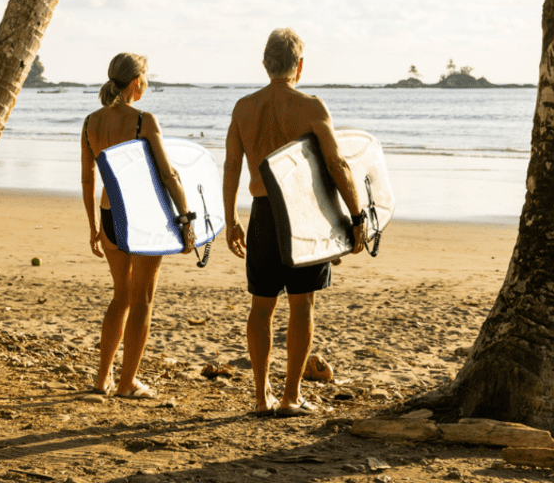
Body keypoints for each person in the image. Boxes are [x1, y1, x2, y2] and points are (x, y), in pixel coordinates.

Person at [223, 28, 367, 417]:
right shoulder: (311, 106)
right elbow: (337, 165)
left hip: (263, 214)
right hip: (302, 215)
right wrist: (357, 216)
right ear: (299, 66)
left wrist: (230, 219)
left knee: (261, 306)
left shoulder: (243, 108)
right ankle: (290, 397)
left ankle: (260, 396)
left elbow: (232, 166)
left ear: (265, 63)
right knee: (302, 306)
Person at [80, 52, 196, 398]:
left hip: (108, 213)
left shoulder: (91, 122)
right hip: (142, 216)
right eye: (146, 79)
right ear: (137, 84)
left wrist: (92, 226)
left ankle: (102, 379)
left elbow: (88, 179)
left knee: (121, 296)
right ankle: (128, 382)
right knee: (142, 297)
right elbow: (169, 173)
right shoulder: (143, 120)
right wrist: (186, 218)